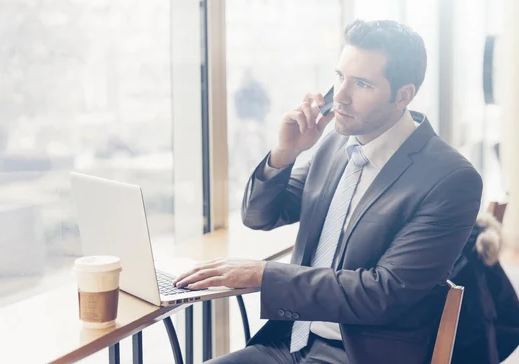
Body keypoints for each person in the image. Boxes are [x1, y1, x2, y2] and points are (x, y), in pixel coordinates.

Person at [174, 20, 483, 363]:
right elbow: (260, 216)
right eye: (339, 77)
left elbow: (382, 293)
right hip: (288, 342)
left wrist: (262, 274)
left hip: (359, 353)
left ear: (403, 95)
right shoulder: (335, 142)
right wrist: (285, 154)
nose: (340, 97)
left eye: (362, 84)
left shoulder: (450, 178)